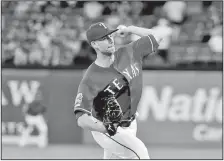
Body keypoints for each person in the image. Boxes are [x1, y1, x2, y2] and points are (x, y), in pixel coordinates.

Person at [73, 22, 163, 159]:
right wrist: (106, 128)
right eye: (103, 38)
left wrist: (131, 29)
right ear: (94, 45)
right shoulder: (91, 78)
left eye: (110, 35)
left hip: (131, 123)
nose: (109, 40)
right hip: (108, 129)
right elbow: (82, 119)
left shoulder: (130, 51)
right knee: (140, 153)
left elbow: (157, 36)